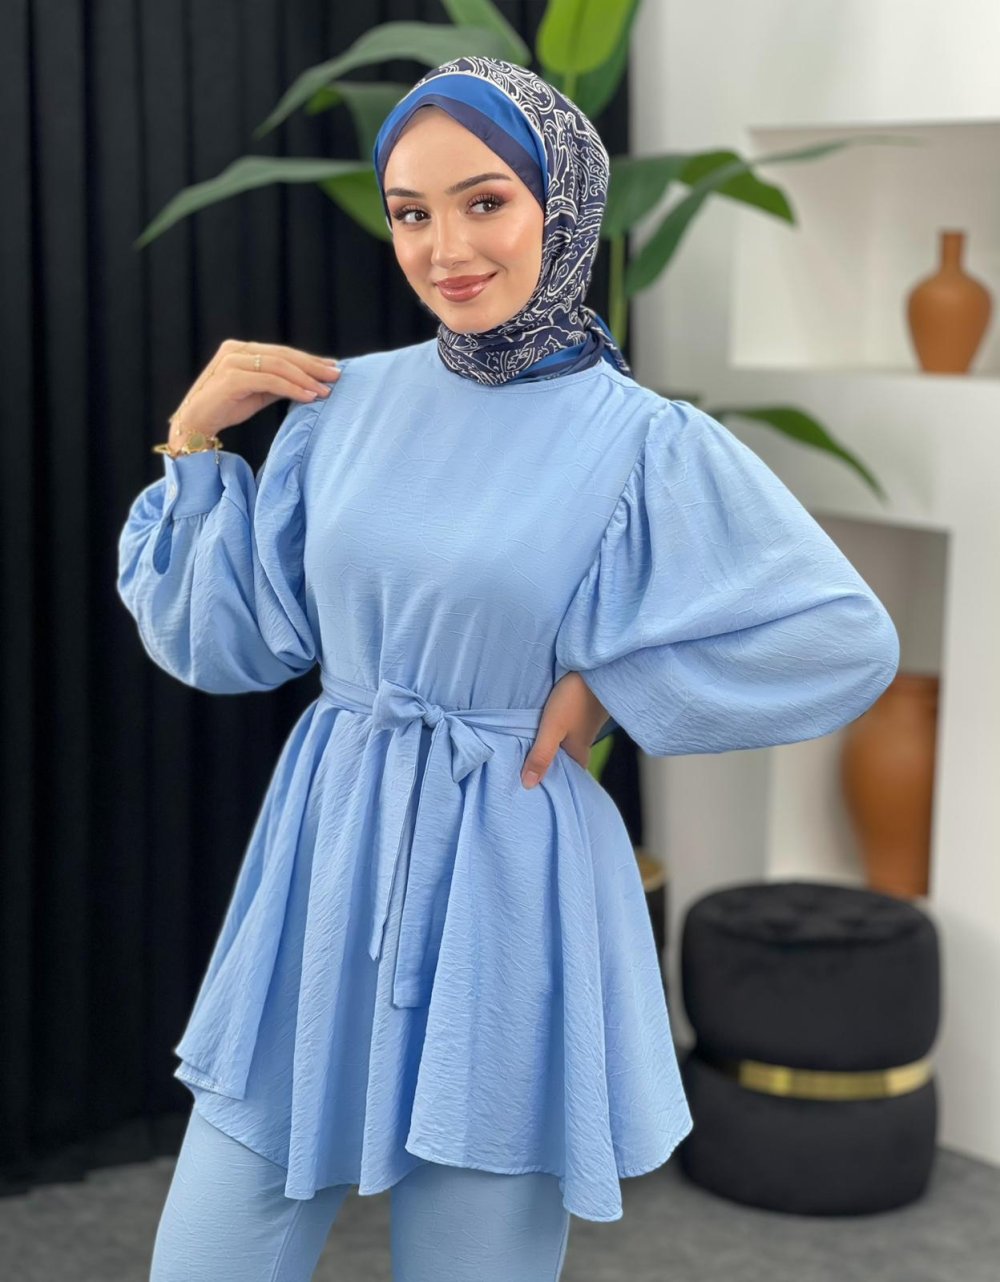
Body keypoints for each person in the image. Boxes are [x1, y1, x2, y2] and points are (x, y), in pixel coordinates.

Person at [119, 55, 900, 1282]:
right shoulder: (342, 406)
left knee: (472, 1254)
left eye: (484, 202)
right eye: (411, 213)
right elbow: (230, 647)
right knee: (212, 1249)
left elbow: (843, 638)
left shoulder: (646, 442)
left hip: (506, 870)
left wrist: (613, 685)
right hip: (329, 854)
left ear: (562, 203)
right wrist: (193, 443)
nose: (445, 249)